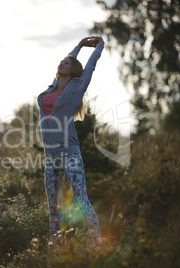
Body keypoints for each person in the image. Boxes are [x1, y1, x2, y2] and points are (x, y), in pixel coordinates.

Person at [37, 36, 104, 246]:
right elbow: (69, 61)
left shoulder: (77, 86)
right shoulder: (51, 88)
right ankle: (57, 250)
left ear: (73, 69)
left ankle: (96, 244)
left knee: (80, 200)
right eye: (61, 62)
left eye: (65, 63)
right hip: (51, 155)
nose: (61, 63)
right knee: (53, 206)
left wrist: (99, 45)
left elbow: (90, 66)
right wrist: (78, 46)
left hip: (69, 153)